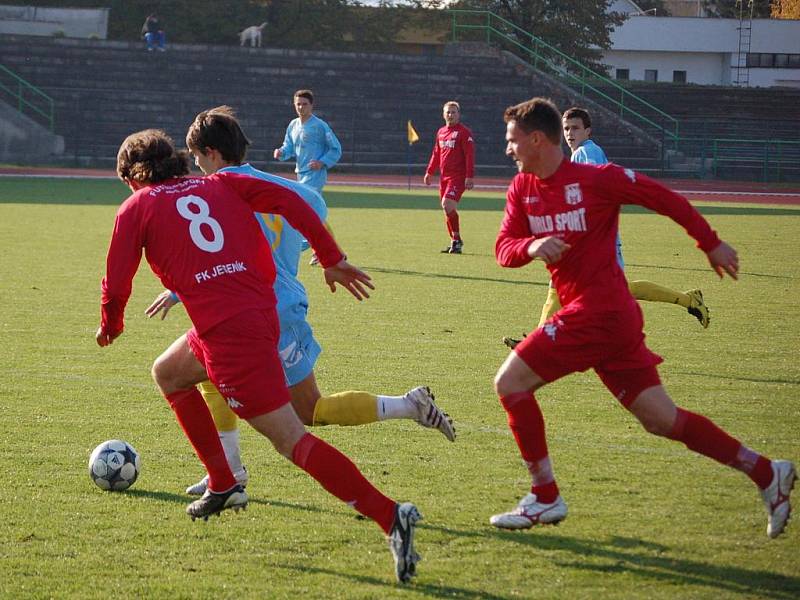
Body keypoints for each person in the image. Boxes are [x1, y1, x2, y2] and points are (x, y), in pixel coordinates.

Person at [96, 129, 422, 583]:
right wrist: (329, 255)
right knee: (169, 372)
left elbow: (116, 280)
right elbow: (295, 203)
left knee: (292, 439)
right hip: (256, 315)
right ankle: (223, 483)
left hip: (232, 336)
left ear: (133, 177)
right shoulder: (222, 182)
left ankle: (391, 516)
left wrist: (111, 325)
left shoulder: (137, 205)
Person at [489, 97, 794, 539]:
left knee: (509, 384)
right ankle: (767, 472)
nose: (508, 149)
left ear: (536, 140)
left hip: (599, 313)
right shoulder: (522, 189)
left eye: (512, 141)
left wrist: (709, 242)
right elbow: (504, 248)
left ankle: (545, 495)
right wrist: (530, 247)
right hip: (610, 320)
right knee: (661, 419)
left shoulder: (598, 179)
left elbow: (662, 197)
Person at [145, 106, 455, 496]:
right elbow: (314, 211)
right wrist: (326, 257)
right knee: (202, 374)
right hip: (279, 304)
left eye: (197, 158)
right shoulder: (291, 190)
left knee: (308, 411)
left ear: (211, 153)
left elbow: (215, 251)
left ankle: (408, 406)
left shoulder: (215, 193)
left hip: (252, 309)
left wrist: (179, 289)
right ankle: (229, 473)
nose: (196, 166)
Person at [503, 106, 709, 349]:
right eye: (566, 128)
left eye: (576, 128)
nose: (570, 133)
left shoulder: (587, 152)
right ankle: (537, 343)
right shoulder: (579, 154)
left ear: (587, 131)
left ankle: (688, 300)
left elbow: (593, 186)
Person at [273, 89, 342, 265]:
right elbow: (288, 147)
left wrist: (322, 162)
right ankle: (327, 249)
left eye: (305, 104)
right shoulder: (293, 125)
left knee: (307, 210)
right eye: (298, 104)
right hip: (300, 174)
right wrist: (281, 153)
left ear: (312, 105)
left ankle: (303, 247)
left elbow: (336, 148)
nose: (301, 107)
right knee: (314, 213)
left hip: (315, 175)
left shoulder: (320, 126)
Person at [424, 101, 475, 254]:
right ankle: (455, 241)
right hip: (444, 177)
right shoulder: (441, 132)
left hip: (458, 177)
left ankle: (457, 239)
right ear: (443, 114)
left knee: (448, 205)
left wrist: (469, 176)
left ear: (459, 114)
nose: (450, 115)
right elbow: (436, 153)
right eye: (448, 112)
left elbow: (469, 155)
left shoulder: (464, 132)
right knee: (446, 209)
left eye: (453, 112)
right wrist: (429, 172)